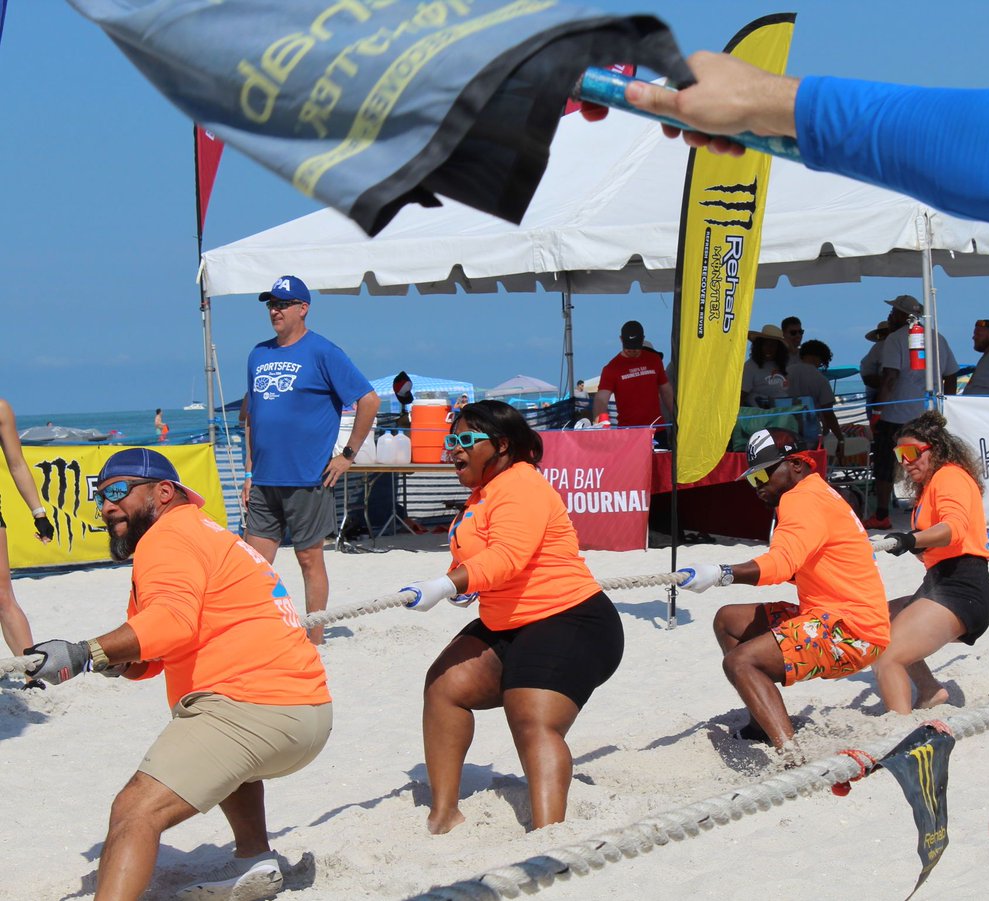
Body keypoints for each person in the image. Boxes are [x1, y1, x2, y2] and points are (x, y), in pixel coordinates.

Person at [597, 49, 989, 901]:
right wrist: (774, 107)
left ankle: (888, 727)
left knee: (887, 646)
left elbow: (942, 536)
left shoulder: (891, 489)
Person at [23, 448, 331, 901]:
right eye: (101, 497)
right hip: (307, 714)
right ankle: (254, 859)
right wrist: (114, 659)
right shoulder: (210, 534)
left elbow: (171, 621)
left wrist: (84, 651)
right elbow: (160, 651)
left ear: (164, 492)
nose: (108, 507)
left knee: (134, 812)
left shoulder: (166, 537)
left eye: (119, 492)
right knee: (216, 745)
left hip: (253, 710)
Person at [403, 400, 623, 834]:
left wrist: (449, 585)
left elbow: (508, 555)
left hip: (571, 619)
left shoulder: (521, 484)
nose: (455, 449)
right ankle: (444, 813)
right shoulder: (483, 493)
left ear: (501, 445)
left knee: (531, 718)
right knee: (445, 686)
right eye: (452, 440)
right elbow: (482, 556)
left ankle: (548, 838)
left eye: (466, 440)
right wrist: (462, 584)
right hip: (509, 622)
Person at [672, 427, 889, 757]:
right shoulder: (818, 493)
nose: (758, 486)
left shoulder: (799, 500)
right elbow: (803, 568)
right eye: (753, 479)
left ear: (797, 465)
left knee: (739, 662)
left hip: (851, 631)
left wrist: (721, 573)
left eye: (763, 475)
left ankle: (790, 756)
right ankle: (762, 721)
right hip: (841, 616)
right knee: (729, 620)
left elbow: (781, 565)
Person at [243, 275, 381, 645]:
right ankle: (254, 631)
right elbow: (251, 416)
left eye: (283, 304)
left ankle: (315, 637)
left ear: (303, 309)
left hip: (308, 477)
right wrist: (248, 471)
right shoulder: (259, 353)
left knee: (309, 558)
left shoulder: (323, 352)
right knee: (250, 566)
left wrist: (347, 456)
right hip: (265, 479)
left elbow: (369, 400)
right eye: (271, 303)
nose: (275, 310)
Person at [873, 412, 989, 713]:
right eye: (900, 455)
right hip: (940, 582)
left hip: (962, 586)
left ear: (935, 449)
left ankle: (898, 736)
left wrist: (912, 540)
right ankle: (929, 691)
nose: (906, 461)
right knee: (879, 622)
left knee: (888, 655)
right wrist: (914, 541)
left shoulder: (949, 476)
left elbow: (953, 529)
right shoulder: (930, 486)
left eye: (912, 452)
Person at [870, 293, 959, 529]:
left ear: (902, 315)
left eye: (893, 312)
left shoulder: (895, 339)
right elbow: (951, 375)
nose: (889, 317)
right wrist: (945, 405)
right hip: (928, 413)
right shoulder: (937, 338)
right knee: (930, 462)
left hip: (897, 413)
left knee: (886, 463)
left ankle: (881, 514)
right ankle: (931, 507)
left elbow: (890, 377)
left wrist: (878, 411)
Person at [0, 398, 54, 670]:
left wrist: (39, 513)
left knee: (3, 596)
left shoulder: (1, 409)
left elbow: (17, 464)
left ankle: (32, 674)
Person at [592, 319, 673, 427]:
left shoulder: (654, 360)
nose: (632, 351)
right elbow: (601, 399)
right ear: (621, 339)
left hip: (656, 428)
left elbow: (666, 391)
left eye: (636, 348)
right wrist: (600, 425)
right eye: (629, 348)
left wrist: (677, 416)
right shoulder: (611, 368)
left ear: (642, 339)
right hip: (629, 431)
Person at [740, 323, 792, 408]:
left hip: (785, 412)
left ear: (779, 349)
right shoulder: (750, 366)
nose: (769, 348)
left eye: (773, 345)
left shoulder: (782, 365)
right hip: (764, 417)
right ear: (759, 345)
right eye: (765, 344)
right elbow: (741, 396)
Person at [860, 316, 900, 414]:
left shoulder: (880, 347)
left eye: (883, 333)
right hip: (880, 393)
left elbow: (865, 373)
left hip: (881, 394)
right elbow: (867, 376)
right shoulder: (879, 347)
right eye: (879, 335)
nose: (881, 337)